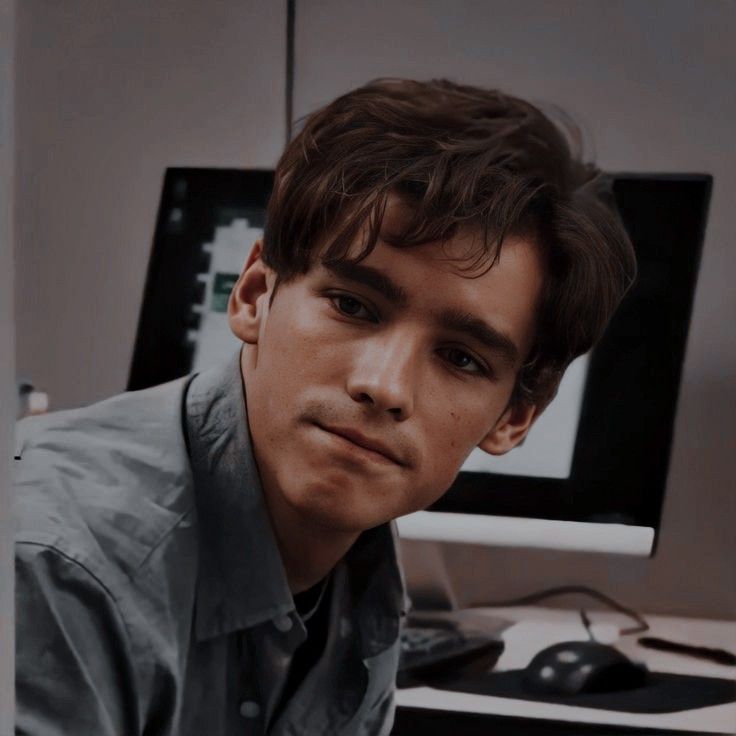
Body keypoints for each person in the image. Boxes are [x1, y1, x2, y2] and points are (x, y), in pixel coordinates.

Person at [14, 78, 636, 735]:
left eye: (461, 359)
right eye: (352, 305)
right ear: (254, 295)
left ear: (515, 418)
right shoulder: (52, 572)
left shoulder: (356, 569)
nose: (384, 385)